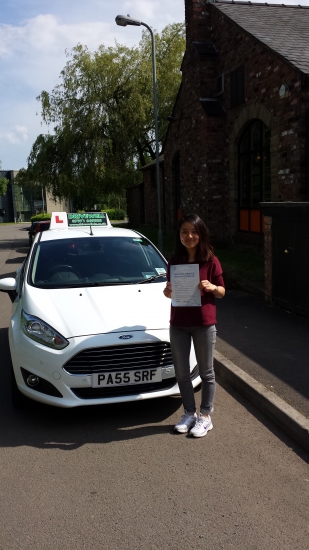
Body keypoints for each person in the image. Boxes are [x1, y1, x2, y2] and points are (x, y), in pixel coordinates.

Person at [163, 213, 225, 437]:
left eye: (194, 231)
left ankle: (205, 417)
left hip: (203, 323)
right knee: (182, 373)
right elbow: (169, 291)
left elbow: (222, 291)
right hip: (178, 323)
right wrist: (167, 291)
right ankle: (189, 413)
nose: (189, 236)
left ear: (201, 233)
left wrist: (211, 287)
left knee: (206, 372)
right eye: (184, 232)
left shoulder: (210, 260)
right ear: (179, 235)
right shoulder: (174, 261)